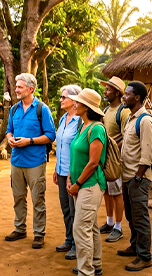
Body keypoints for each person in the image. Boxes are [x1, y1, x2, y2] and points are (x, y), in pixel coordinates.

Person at [5, 73, 56, 249]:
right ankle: (20, 229)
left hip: (35, 162)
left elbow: (50, 135)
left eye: (19, 87)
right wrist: (10, 138)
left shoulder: (42, 109)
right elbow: (8, 130)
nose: (16, 90)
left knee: (37, 199)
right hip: (16, 161)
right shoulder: (14, 109)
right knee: (18, 197)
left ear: (30, 89)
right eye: (16, 87)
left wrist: (30, 141)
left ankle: (39, 233)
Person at [67, 89, 108, 276]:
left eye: (78, 102)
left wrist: (77, 184)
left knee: (80, 227)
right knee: (89, 226)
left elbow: (93, 162)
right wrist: (70, 178)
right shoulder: (82, 126)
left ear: (87, 107)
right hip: (81, 184)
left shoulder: (96, 129)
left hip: (90, 185)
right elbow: (76, 156)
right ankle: (95, 264)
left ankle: (85, 271)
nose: (74, 104)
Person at [117, 81, 152, 272]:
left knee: (140, 218)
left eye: (127, 94)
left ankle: (144, 257)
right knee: (131, 216)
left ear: (137, 97)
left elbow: (147, 154)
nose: (123, 96)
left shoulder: (145, 120)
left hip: (137, 177)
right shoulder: (131, 118)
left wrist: (138, 178)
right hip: (127, 176)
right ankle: (135, 246)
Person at [99, 76, 130, 243]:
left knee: (117, 193)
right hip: (105, 159)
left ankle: (118, 227)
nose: (105, 91)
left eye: (108, 89)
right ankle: (109, 222)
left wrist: (111, 150)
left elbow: (127, 137)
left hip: (115, 160)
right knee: (107, 190)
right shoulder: (105, 111)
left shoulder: (123, 112)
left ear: (117, 92)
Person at [54, 85, 82, 260]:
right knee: (65, 208)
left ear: (74, 100)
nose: (61, 100)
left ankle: (77, 245)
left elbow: (79, 149)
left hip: (75, 173)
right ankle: (69, 239)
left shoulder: (80, 121)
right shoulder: (63, 118)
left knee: (75, 210)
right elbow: (61, 146)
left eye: (64, 97)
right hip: (62, 170)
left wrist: (71, 175)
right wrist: (57, 168)